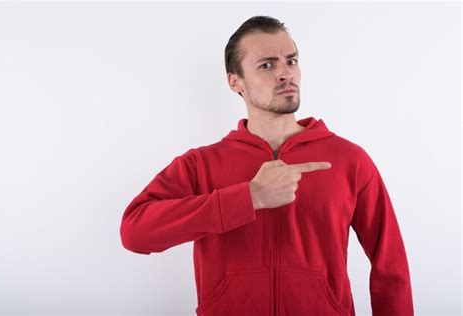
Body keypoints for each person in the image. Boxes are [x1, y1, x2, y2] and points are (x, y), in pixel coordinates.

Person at [120, 15, 414, 316]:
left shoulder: (349, 160)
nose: (286, 73)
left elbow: (390, 263)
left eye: (292, 61)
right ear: (235, 82)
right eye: (267, 65)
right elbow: (135, 232)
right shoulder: (200, 164)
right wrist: (249, 198)